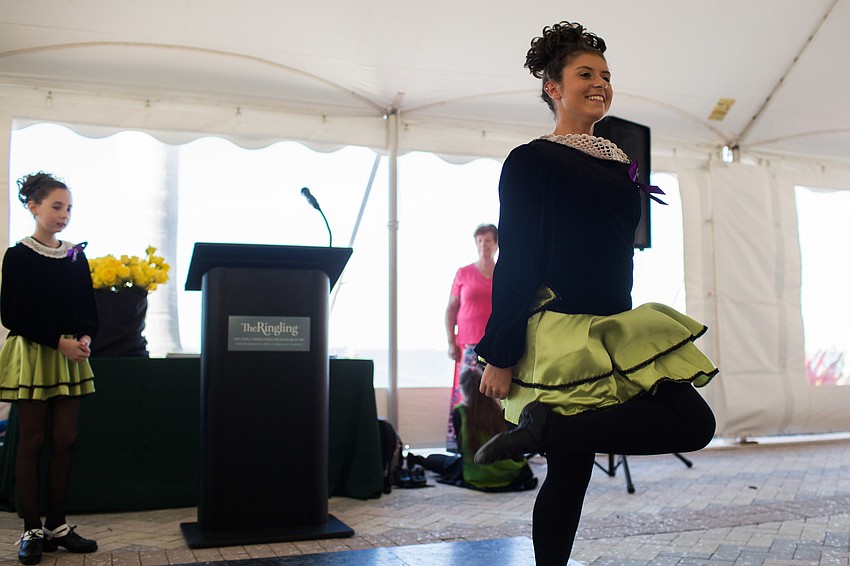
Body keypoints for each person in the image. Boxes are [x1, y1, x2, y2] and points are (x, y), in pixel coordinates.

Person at [473, 22, 719, 565]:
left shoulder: (616, 161)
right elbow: (520, 258)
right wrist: (500, 352)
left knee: (667, 433)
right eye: (585, 73)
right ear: (552, 88)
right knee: (583, 465)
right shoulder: (532, 160)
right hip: (562, 328)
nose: (600, 83)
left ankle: (549, 428)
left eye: (606, 75)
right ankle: (549, 432)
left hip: (613, 324)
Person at [0, 172, 99, 564]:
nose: (64, 215)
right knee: (32, 440)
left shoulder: (75, 254)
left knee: (66, 438)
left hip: (69, 354)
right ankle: (31, 528)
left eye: (69, 207)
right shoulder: (18, 255)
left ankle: (58, 525)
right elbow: (12, 314)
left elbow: (87, 310)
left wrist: (85, 339)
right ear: (34, 207)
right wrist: (57, 341)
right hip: (37, 352)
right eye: (57, 206)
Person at [408, 368, 536, 492]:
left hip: (475, 468)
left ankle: (417, 460)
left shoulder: (460, 412)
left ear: (463, 388)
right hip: (508, 470)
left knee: (435, 459)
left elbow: (462, 450)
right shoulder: (497, 408)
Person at [444, 223, 497, 452]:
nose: (484, 245)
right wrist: (450, 341)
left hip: (496, 346)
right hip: (467, 345)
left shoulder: (504, 273)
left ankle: (495, 444)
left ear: (496, 244)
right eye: (480, 241)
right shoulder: (463, 273)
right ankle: (464, 446)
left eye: (488, 241)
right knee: (467, 396)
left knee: (495, 396)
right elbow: (451, 310)